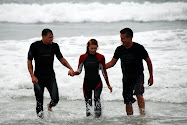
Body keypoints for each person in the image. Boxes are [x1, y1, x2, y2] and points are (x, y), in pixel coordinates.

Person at [27, 28, 74, 118]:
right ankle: (40, 122)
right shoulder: (34, 46)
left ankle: (50, 106)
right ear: (43, 37)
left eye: (52, 37)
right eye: (50, 37)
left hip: (50, 77)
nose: (52, 39)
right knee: (39, 103)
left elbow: (61, 59)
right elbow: (29, 61)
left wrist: (70, 68)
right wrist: (32, 76)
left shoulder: (54, 46)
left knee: (55, 98)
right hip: (38, 78)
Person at [106, 28, 153, 115]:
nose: (121, 40)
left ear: (130, 37)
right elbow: (112, 63)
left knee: (139, 94)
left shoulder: (139, 48)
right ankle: (130, 119)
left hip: (138, 75)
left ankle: (143, 115)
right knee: (127, 99)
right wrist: (100, 67)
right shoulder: (119, 49)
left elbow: (148, 61)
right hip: (126, 77)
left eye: (123, 38)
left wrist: (151, 76)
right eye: (121, 38)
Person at [73, 39, 112, 118]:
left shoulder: (100, 57)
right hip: (87, 83)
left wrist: (108, 84)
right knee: (88, 103)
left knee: (97, 98)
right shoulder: (83, 57)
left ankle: (98, 121)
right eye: (92, 48)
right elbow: (79, 70)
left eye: (95, 48)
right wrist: (73, 73)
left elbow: (104, 72)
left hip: (97, 83)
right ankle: (89, 122)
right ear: (88, 47)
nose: (93, 50)